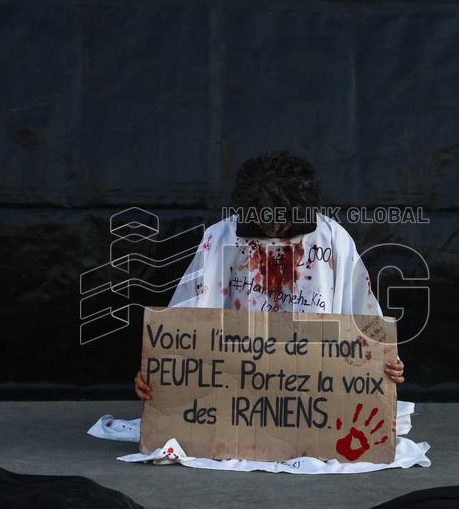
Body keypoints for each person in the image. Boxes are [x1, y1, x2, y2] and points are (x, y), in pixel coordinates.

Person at [135, 150, 405, 400]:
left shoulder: (331, 238)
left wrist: (383, 358)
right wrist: (161, 368)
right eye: (265, 218)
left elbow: (361, 307)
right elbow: (185, 315)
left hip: (314, 386)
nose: (274, 227)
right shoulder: (219, 238)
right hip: (235, 383)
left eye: (284, 218)